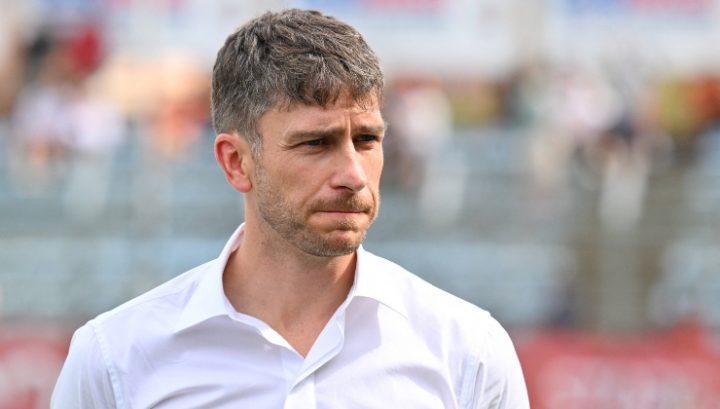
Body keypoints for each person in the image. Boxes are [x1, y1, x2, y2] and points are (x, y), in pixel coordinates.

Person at [51, 9, 529, 408]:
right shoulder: (114, 360)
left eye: (367, 140)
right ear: (236, 162)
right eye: (315, 143)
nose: (354, 174)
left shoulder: (469, 352)